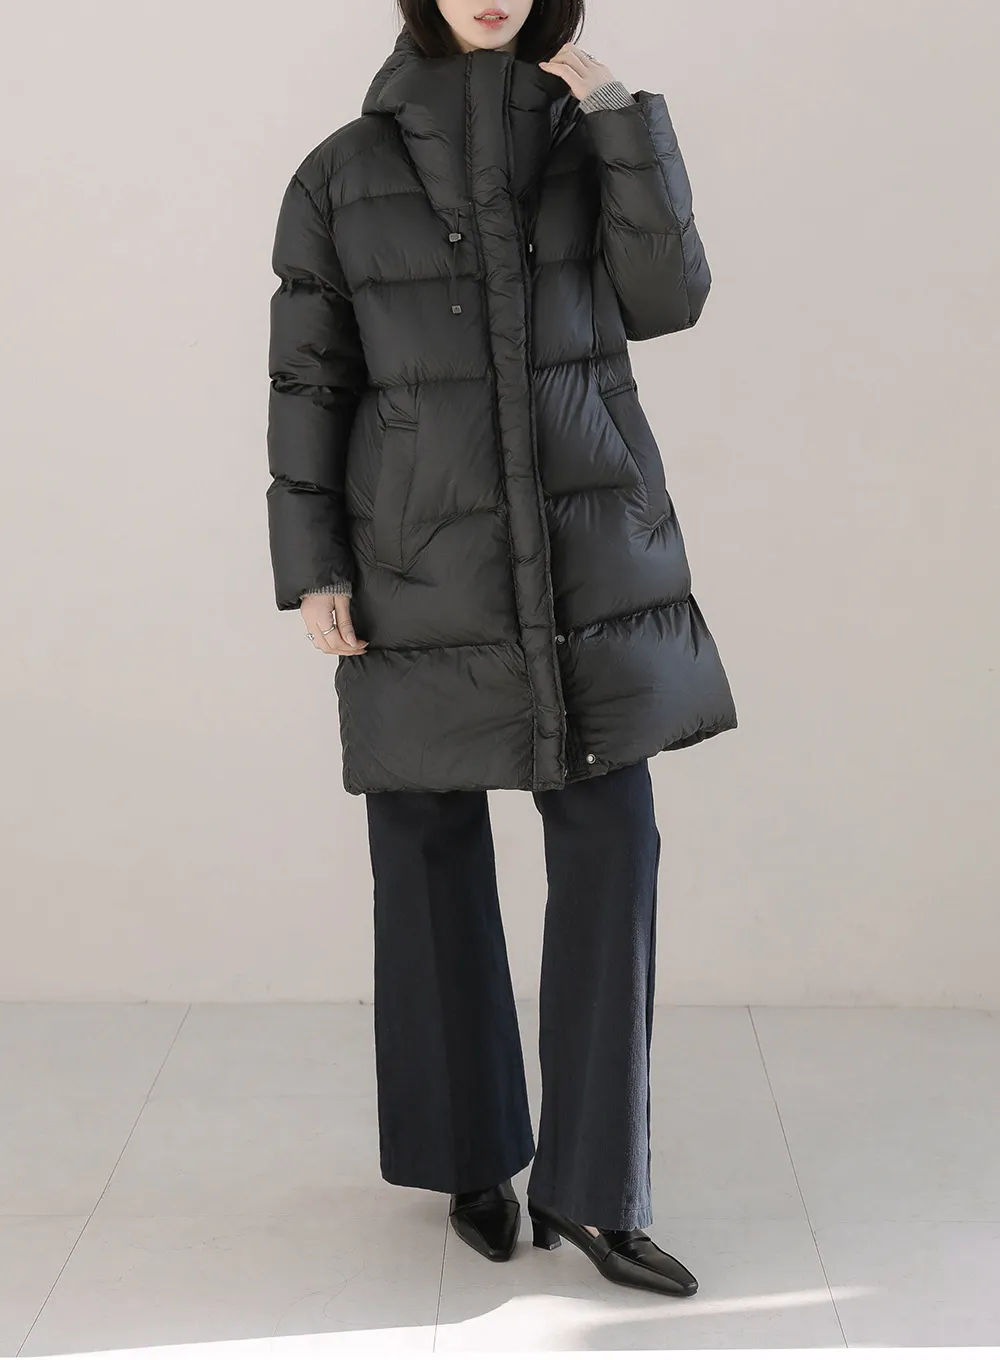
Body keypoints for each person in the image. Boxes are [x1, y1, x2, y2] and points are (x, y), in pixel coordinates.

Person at [265, 0, 737, 1298]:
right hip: (418, 560)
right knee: (424, 853)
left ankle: (596, 1189)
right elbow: (310, 380)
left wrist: (623, 121)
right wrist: (312, 563)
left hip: (587, 556)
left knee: (611, 844)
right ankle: (466, 1154)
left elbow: (670, 299)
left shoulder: (593, 146)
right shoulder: (339, 173)